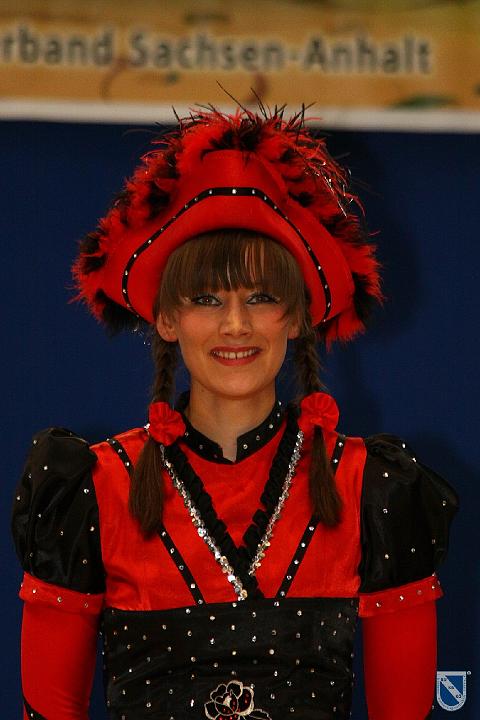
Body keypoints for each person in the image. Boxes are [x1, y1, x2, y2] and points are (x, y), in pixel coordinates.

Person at [12, 107, 457, 720]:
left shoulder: (372, 488)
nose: (236, 325)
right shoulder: (92, 487)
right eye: (205, 299)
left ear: (296, 318)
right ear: (167, 320)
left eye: (262, 297)